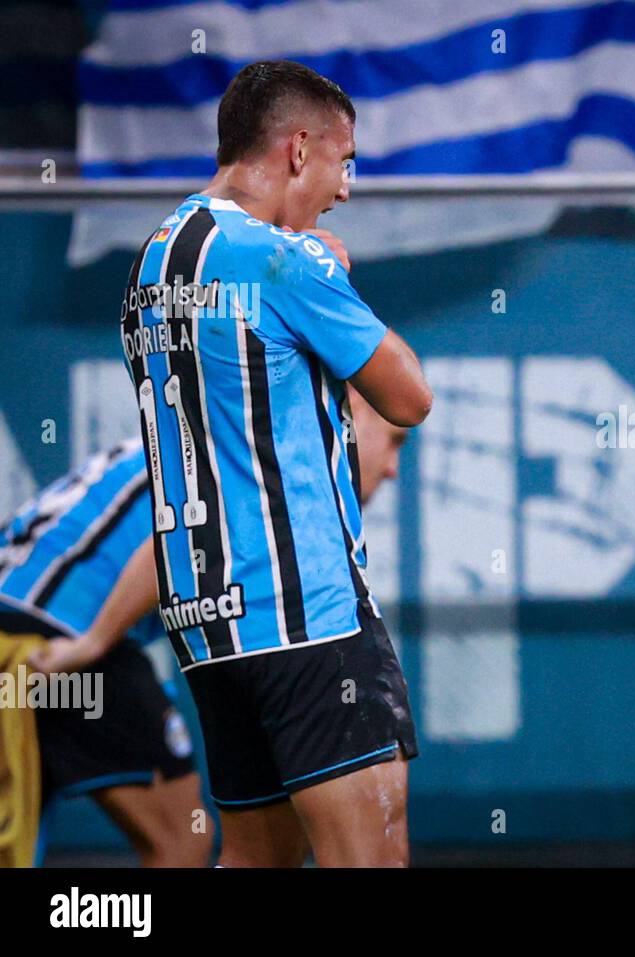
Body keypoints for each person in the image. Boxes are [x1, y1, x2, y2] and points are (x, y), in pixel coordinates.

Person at [117, 59, 431, 867]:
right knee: (373, 857)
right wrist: (333, 277)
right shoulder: (284, 260)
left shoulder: (153, 262)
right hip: (307, 611)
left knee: (256, 859)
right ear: (298, 150)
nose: (346, 188)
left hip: (208, 624)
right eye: (343, 159)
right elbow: (408, 396)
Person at [0, 440, 208, 867]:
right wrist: (93, 642)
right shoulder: (229, 448)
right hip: (57, 646)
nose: (389, 470)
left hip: (20, 638)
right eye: (389, 441)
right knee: (185, 838)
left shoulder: (156, 443)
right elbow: (166, 544)